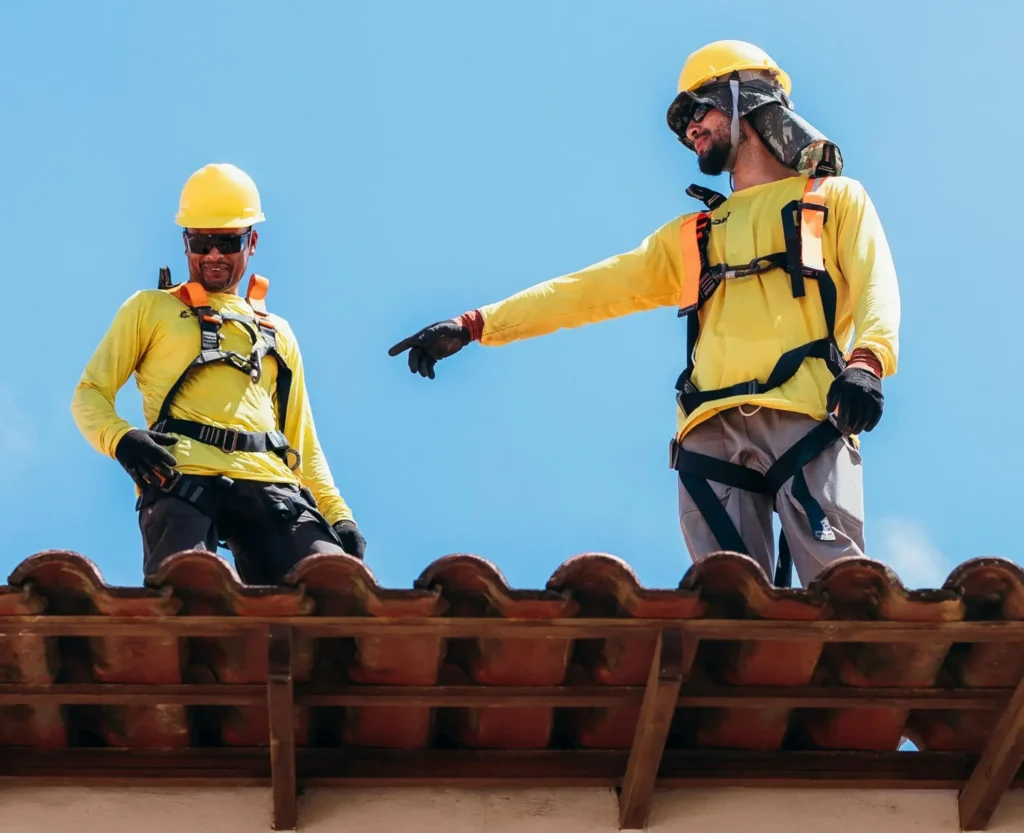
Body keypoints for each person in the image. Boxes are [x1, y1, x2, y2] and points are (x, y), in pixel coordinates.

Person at [387, 40, 900, 587]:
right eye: (683, 125)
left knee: (846, 591)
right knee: (727, 610)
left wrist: (867, 363)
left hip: (809, 420)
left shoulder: (833, 199)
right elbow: (587, 291)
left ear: (743, 98)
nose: (689, 132)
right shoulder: (692, 237)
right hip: (709, 437)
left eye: (696, 112)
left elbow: (876, 284)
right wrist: (477, 324)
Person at [72, 163, 366, 584]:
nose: (212, 255)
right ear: (185, 242)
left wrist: (338, 515)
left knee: (333, 591)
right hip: (181, 477)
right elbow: (90, 393)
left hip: (272, 483)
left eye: (227, 242)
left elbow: (302, 441)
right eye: (202, 242)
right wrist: (122, 440)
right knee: (190, 597)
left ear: (252, 242)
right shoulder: (150, 308)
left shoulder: (276, 331)